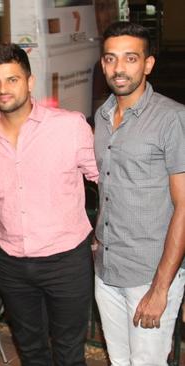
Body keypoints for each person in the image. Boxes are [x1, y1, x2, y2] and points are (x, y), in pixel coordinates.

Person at [0, 43, 99, 365]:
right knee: (31, 352)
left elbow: (105, 180)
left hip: (67, 262)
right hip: (13, 264)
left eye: (12, 79)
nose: (3, 89)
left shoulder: (69, 126)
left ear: (29, 82)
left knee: (70, 353)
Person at [93, 21, 185, 365]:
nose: (119, 68)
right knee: (119, 361)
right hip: (107, 270)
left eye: (130, 58)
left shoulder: (172, 118)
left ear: (147, 64)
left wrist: (161, 288)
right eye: (111, 59)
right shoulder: (101, 117)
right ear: (103, 64)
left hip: (149, 275)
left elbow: (184, 207)